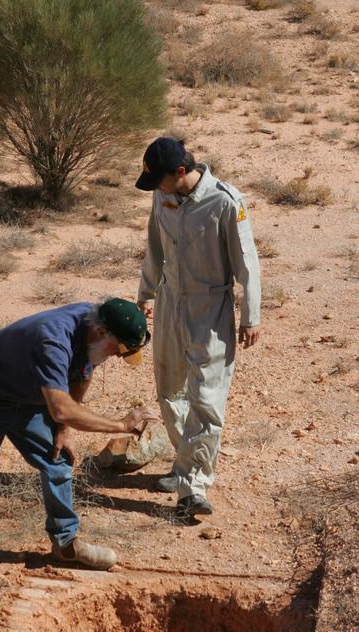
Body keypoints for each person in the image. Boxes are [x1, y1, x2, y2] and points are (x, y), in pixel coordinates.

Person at [0, 298, 156, 598]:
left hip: (27, 396)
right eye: (119, 349)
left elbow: (83, 372)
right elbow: (61, 408)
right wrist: (120, 426)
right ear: (101, 332)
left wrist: (63, 431)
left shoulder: (92, 328)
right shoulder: (53, 339)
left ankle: (65, 544)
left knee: (58, 459)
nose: (116, 357)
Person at [135, 137, 261, 518]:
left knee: (206, 397)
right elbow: (154, 245)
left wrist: (250, 315)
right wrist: (146, 294)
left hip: (211, 308)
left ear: (180, 172)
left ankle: (195, 485)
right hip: (172, 300)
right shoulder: (163, 197)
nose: (155, 188)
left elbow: (247, 262)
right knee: (170, 388)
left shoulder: (225, 201)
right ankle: (184, 461)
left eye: (160, 180)